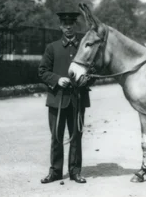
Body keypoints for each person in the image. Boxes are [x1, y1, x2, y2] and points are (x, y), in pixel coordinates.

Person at [38, 11, 91, 184]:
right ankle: (55, 172)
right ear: (60, 26)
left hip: (77, 99)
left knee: (76, 135)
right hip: (57, 99)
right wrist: (57, 79)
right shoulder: (52, 47)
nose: (68, 27)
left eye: (71, 24)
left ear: (76, 26)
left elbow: (93, 71)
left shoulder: (84, 47)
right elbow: (42, 71)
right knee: (56, 136)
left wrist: (86, 79)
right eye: (64, 24)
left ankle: (75, 171)